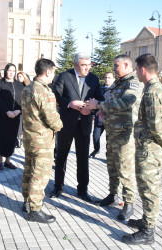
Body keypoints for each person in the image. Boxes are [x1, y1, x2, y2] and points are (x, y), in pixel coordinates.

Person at [121, 53, 162, 245]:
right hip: (149, 147)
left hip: (150, 149)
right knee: (147, 186)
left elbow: (156, 125)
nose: (135, 72)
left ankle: (148, 232)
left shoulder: (153, 91)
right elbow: (161, 122)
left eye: (136, 69)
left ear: (142, 70)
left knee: (149, 189)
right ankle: (146, 220)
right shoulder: (156, 89)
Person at [85, 54, 144, 220]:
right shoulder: (120, 82)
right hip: (112, 132)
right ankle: (112, 195)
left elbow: (127, 102)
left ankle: (129, 204)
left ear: (126, 65)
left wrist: (100, 105)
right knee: (112, 166)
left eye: (116, 65)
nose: (113, 68)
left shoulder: (133, 82)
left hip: (125, 135)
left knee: (125, 170)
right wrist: (104, 111)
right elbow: (114, 102)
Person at [50, 52, 104, 202]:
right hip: (66, 123)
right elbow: (55, 95)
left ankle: (82, 190)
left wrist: (91, 109)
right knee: (61, 157)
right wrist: (69, 103)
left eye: (89, 65)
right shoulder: (64, 76)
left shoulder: (93, 79)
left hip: (84, 124)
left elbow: (99, 98)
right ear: (75, 65)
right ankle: (58, 187)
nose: (87, 68)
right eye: (83, 65)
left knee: (83, 159)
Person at [21, 58, 63, 223]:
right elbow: (52, 118)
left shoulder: (28, 88)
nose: (54, 75)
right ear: (47, 72)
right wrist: (59, 126)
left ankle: (26, 202)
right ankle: (35, 210)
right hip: (42, 141)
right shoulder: (43, 91)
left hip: (30, 137)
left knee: (28, 171)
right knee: (40, 175)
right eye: (53, 72)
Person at [0, 63, 24, 170]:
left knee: (11, 139)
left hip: (15, 116)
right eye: (9, 70)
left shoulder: (19, 84)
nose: (11, 73)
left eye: (13, 71)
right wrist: (7, 111)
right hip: (2, 116)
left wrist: (18, 110)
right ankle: (0, 160)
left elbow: (23, 100)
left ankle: (8, 160)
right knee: (2, 138)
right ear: (6, 71)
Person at [89, 72, 115, 158]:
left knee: (109, 139)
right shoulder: (100, 88)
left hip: (109, 118)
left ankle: (109, 155)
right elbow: (94, 101)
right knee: (95, 136)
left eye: (109, 78)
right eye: (106, 77)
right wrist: (93, 113)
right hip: (99, 117)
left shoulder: (115, 90)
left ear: (113, 79)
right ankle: (96, 149)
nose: (107, 79)